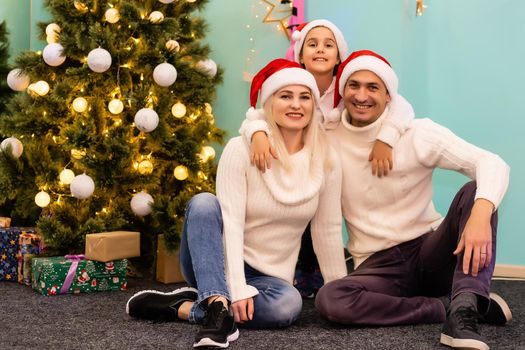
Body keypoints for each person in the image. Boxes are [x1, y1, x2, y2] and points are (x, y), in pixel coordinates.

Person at [126, 58, 347, 348]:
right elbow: (230, 220)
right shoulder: (239, 149)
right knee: (204, 203)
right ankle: (217, 306)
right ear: (269, 103)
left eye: (304, 97)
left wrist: (340, 293)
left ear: (314, 106)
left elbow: (328, 230)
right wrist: (238, 287)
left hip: (270, 277)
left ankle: (187, 307)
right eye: (285, 96)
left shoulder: (327, 160)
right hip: (216, 259)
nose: (296, 105)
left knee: (288, 307)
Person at [312, 49, 512, 350]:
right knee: (330, 299)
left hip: (430, 252)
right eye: (354, 85)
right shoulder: (329, 139)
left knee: (475, 193)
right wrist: (339, 281)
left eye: (373, 87)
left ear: (389, 96)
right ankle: (442, 307)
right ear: (343, 90)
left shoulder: (418, 133)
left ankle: (464, 311)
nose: (362, 95)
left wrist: (482, 213)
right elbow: (326, 223)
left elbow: (492, 163)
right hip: (379, 266)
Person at [242, 19, 414, 298]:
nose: (320, 50)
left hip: (332, 161)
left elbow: (401, 106)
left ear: (339, 54)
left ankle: (325, 271)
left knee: (329, 215)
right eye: (312, 44)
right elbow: (257, 113)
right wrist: (257, 133)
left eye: (328, 45)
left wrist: (387, 137)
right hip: (294, 160)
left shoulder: (349, 86)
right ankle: (296, 267)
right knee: (297, 213)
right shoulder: (291, 82)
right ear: (300, 53)